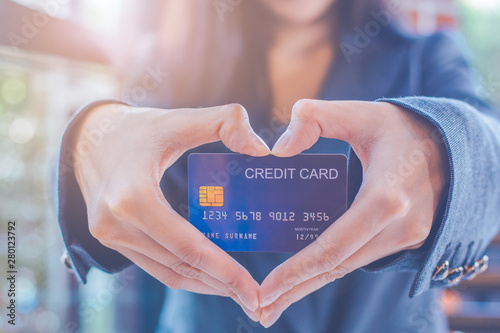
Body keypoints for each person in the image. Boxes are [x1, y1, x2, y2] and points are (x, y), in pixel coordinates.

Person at [55, 0, 500, 331]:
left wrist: (444, 148)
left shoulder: (424, 54)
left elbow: (489, 141)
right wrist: (89, 140)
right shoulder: (170, 62)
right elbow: (124, 143)